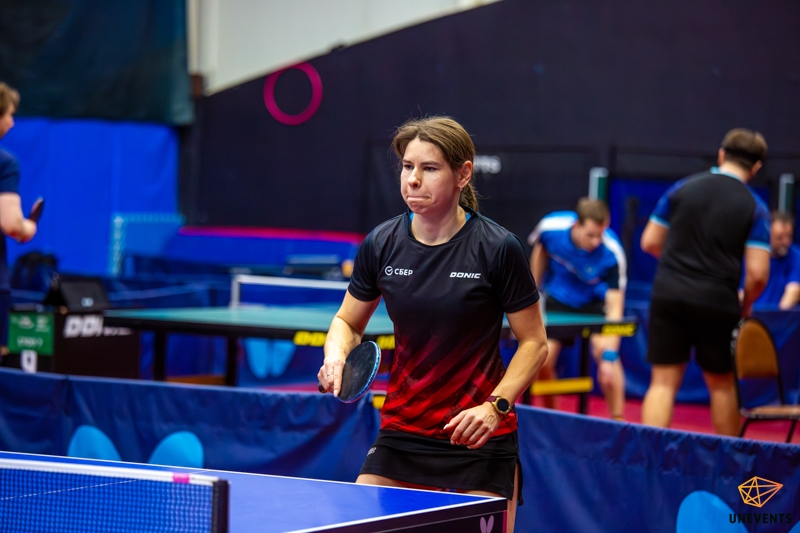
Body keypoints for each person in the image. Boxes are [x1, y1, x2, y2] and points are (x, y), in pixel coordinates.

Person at [318, 116, 548, 532]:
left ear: (463, 174)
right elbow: (347, 321)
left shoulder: (498, 248)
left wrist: (495, 407)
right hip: (404, 430)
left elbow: (534, 343)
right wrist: (336, 356)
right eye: (408, 167)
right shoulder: (382, 243)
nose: (413, 180)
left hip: (479, 434)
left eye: (429, 168)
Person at [640, 128, 770, 436]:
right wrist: (746, 303)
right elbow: (758, 274)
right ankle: (727, 458)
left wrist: (678, 265)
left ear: (721, 155)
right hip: (718, 300)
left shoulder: (682, 189)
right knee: (722, 383)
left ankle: (649, 457)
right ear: (756, 167)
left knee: (662, 382)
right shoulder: (755, 207)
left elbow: (650, 242)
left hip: (668, 292)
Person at [528, 199, 627, 419]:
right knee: (543, 359)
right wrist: (534, 292)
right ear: (576, 225)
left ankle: (619, 421)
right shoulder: (550, 228)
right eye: (590, 235)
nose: (596, 241)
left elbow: (615, 307)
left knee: (609, 362)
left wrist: (609, 355)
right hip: (558, 302)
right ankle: (552, 417)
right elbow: (541, 249)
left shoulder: (612, 252)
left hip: (594, 307)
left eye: (600, 234)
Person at [0, 83, 38, 353]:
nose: (12, 123)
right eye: (9, 115)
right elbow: (11, 225)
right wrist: (29, 226)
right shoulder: (5, 163)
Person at [750, 211, 800, 309]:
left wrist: (777, 316)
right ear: (768, 236)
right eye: (779, 237)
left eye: (789, 236)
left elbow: (794, 291)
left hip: (779, 315)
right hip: (751, 314)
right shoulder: (753, 256)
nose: (786, 242)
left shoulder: (796, 255)